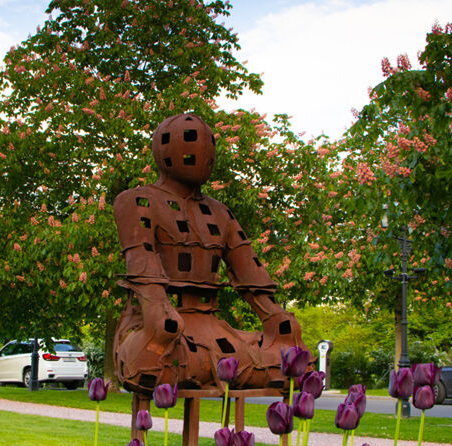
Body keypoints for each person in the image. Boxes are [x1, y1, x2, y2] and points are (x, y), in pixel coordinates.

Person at [112, 113, 308, 393]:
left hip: (213, 328)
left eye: (208, 146)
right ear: (163, 149)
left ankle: (225, 367)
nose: (202, 154)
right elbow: (144, 267)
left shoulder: (220, 212)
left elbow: (251, 274)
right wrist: (159, 318)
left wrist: (279, 322)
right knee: (149, 361)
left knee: (294, 359)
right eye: (190, 144)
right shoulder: (138, 200)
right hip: (157, 326)